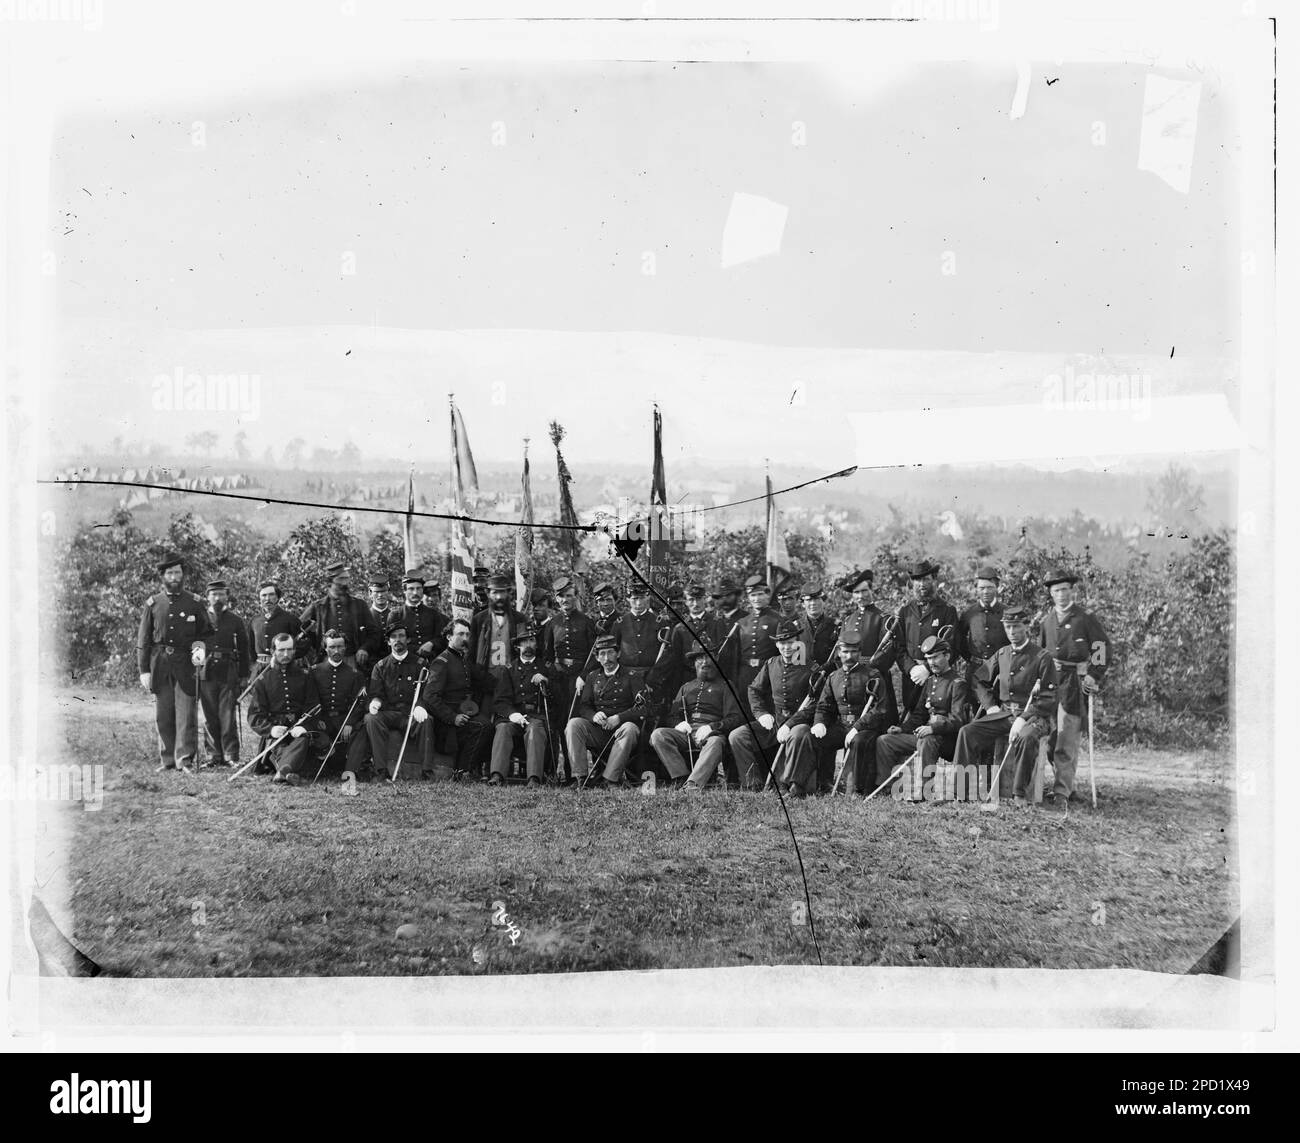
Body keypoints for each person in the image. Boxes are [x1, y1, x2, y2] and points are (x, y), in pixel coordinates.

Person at [952, 604, 1059, 809]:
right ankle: (961, 790)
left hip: (1035, 718)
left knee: (1025, 737)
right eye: (1008, 627)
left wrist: (1023, 718)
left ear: (1026, 626)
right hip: (1004, 714)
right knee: (967, 732)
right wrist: (991, 706)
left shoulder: (1041, 657)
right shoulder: (1002, 654)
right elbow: (978, 679)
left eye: (1016, 626)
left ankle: (1018, 794)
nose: (1012, 632)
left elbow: (1049, 697)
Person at [1039, 568, 1111, 809]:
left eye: (1065, 590)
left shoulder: (1084, 618)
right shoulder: (1046, 622)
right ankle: (1065, 783)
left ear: (1072, 591)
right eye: (1056, 590)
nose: (1061, 595)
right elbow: (1040, 654)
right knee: (1050, 740)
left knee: (1067, 739)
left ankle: (1061, 792)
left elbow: (1101, 646)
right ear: (1051, 593)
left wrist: (1093, 674)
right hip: (1050, 686)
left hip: (1073, 685)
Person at [136, 551, 213, 773]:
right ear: (163, 576)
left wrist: (199, 653)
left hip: (186, 665)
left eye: (177, 572)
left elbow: (206, 633)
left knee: (186, 714)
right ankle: (168, 759)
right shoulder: (153, 603)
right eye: (169, 573)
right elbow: (144, 639)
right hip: (159, 665)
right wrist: (144, 670)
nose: (174, 576)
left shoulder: (195, 602)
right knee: (163, 714)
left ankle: (184, 759)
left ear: (183, 575)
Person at [875, 633, 971, 801]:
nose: (931, 663)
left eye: (935, 657)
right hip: (925, 735)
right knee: (885, 740)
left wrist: (933, 728)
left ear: (947, 656)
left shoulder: (958, 683)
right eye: (928, 658)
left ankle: (925, 791)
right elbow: (919, 715)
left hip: (948, 740)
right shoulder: (930, 681)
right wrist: (902, 728)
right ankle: (888, 788)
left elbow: (958, 720)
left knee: (927, 740)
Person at [730, 618, 817, 791]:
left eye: (790, 643)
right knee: (738, 736)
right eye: (782, 643)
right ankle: (753, 783)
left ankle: (789, 784)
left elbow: (814, 704)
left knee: (798, 734)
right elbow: (753, 689)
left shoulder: (811, 668)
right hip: (775, 723)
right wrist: (761, 714)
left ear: (797, 643)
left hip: (798, 723)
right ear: (777, 645)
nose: (787, 647)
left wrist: (791, 723)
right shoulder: (771, 664)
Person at [651, 640, 744, 792]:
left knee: (715, 742)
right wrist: (678, 724)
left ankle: (693, 784)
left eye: (708, 657)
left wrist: (711, 727)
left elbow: (735, 717)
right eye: (699, 658)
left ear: (715, 659)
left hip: (711, 735)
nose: (704, 662)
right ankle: (681, 777)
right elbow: (672, 715)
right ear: (694, 662)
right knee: (658, 735)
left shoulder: (726, 686)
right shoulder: (686, 687)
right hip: (686, 734)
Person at [810, 637, 893, 795]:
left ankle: (858, 789)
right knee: (818, 738)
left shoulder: (872, 675)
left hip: (866, 728)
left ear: (859, 653)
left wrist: (857, 727)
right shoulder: (833, 677)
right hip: (841, 726)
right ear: (839, 653)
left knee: (859, 741)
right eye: (845, 652)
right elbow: (824, 706)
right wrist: (819, 722)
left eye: (854, 652)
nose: (849, 656)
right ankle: (823, 783)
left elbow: (880, 709)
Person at [247, 632, 326, 785]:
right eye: (281, 650)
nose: (286, 654)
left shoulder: (305, 675)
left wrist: (304, 726)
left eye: (289, 650)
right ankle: (287, 770)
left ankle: (282, 772)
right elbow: (255, 716)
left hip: (299, 728)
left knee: (303, 739)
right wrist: (271, 729)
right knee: (279, 745)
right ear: (272, 652)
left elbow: (314, 706)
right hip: (277, 733)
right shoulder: (263, 680)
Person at [420, 617, 493, 781]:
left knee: (489, 724)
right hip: (446, 722)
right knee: (483, 726)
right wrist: (452, 717)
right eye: (460, 634)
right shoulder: (442, 662)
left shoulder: (463, 660)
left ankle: (470, 769)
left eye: (467, 635)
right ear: (449, 637)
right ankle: (461, 772)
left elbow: (484, 680)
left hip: (464, 713)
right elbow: (429, 696)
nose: (465, 639)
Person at [565, 634, 641, 789]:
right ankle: (580, 778)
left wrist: (619, 718)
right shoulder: (593, 677)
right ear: (597, 658)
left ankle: (610, 780)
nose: (607, 658)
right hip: (599, 731)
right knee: (574, 724)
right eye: (602, 654)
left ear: (618, 653)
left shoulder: (632, 676)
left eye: (610, 652)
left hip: (622, 731)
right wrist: (593, 716)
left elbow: (644, 707)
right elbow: (584, 706)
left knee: (630, 728)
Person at [893, 559, 960, 716]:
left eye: (926, 579)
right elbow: (898, 647)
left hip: (938, 677)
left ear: (934, 580)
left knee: (935, 718)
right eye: (917, 580)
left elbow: (953, 647)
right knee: (910, 718)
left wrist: (927, 669)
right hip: (912, 678)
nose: (921, 584)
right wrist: (912, 669)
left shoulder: (947, 611)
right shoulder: (905, 611)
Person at [364, 618, 429, 779]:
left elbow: (427, 691)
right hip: (390, 713)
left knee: (427, 721)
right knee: (371, 719)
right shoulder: (380, 666)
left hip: (411, 713)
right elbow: (376, 692)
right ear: (388, 642)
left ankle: (427, 771)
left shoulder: (420, 664)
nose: (397, 640)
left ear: (408, 640)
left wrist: (420, 706)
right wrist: (376, 702)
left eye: (401, 636)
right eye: (393, 637)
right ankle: (380, 770)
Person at [488, 625, 552, 787]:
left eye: (531, 641)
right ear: (517, 647)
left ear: (536, 645)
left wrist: (546, 681)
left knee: (535, 729)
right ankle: (497, 775)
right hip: (515, 717)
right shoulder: (508, 670)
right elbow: (500, 700)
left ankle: (534, 778)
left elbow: (557, 696)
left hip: (536, 716)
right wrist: (512, 715)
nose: (528, 645)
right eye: (524, 642)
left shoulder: (546, 667)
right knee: (503, 729)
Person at [198, 579, 251, 770]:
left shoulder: (235, 620)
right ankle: (213, 755)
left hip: (229, 672)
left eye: (221, 594)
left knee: (227, 715)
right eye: (214, 594)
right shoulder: (200, 618)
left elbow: (244, 649)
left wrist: (244, 675)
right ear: (208, 597)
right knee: (209, 715)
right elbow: (194, 645)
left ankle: (231, 755)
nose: (218, 598)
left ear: (227, 596)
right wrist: (195, 670)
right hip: (206, 671)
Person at [312, 629, 370, 789]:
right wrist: (317, 719)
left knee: (362, 729)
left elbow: (360, 703)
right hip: (322, 721)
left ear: (345, 648)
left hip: (344, 720)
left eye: (340, 647)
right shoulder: (314, 671)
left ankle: (350, 771)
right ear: (325, 648)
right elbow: (310, 700)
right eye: (331, 647)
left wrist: (350, 722)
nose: (336, 651)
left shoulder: (355, 674)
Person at [299, 561, 378, 672]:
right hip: (325, 661)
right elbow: (299, 629)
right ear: (330, 582)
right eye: (341, 579)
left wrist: (364, 649)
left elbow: (374, 633)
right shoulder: (318, 607)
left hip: (352, 660)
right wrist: (312, 643)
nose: (345, 583)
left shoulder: (360, 605)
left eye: (347, 579)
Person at [956, 565, 1009, 712]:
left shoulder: (1006, 612)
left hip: (1001, 671)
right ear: (977, 589)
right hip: (976, 670)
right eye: (982, 588)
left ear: (997, 587)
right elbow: (959, 640)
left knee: (999, 709)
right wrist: (972, 659)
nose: (985, 592)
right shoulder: (969, 613)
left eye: (989, 587)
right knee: (976, 709)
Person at [734, 574, 782, 714]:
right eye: (753, 595)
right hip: (745, 675)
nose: (757, 599)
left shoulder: (777, 620)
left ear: (767, 595)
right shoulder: (742, 623)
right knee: (746, 710)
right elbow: (736, 656)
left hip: (767, 674)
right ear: (748, 598)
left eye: (760, 594)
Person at [389, 569, 449, 662]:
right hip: (406, 663)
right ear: (404, 590)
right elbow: (392, 643)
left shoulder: (433, 614)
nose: (415, 593)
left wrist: (431, 643)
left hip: (431, 661)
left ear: (422, 590)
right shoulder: (396, 615)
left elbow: (442, 638)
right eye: (411, 589)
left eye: (418, 588)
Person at [250, 581, 306, 673]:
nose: (267, 599)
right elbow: (250, 648)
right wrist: (253, 667)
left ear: (278, 597)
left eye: (271, 595)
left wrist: (285, 657)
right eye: (264, 595)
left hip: (284, 668)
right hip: (259, 670)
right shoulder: (254, 621)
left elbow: (303, 644)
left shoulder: (290, 619)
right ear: (259, 598)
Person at [799, 582, 840, 670]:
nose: (813, 603)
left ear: (823, 601)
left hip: (828, 676)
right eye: (809, 600)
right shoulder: (796, 627)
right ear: (803, 604)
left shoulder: (836, 626)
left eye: (817, 599)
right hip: (803, 677)